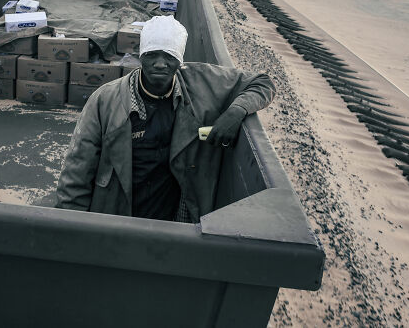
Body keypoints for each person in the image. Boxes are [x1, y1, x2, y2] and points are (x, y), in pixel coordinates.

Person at [55, 16, 275, 223]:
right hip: (118, 220)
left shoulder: (202, 83)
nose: (160, 64)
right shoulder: (105, 100)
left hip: (175, 223)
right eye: (152, 55)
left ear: (180, 59)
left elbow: (262, 83)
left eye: (169, 56)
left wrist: (236, 111)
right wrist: (72, 226)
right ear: (141, 56)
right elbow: (77, 171)